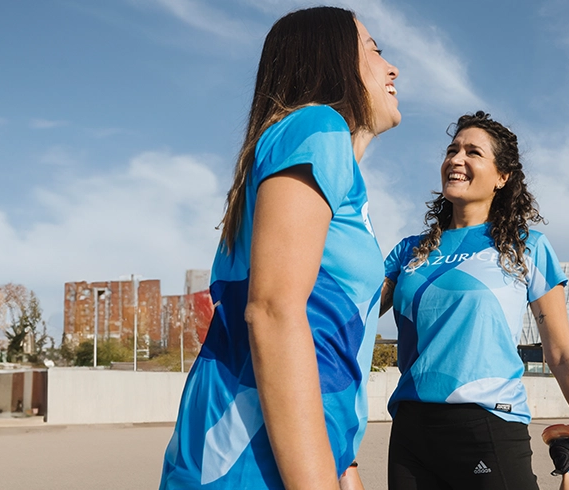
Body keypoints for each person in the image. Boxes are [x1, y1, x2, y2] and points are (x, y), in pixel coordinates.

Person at [160, 6, 400, 489]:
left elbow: (322, 336)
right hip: (247, 465)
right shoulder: (318, 128)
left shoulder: (321, 156)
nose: (391, 68)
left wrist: (342, 468)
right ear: (332, 60)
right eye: (374, 50)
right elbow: (272, 312)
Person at [380, 111, 569, 490]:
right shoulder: (409, 252)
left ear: (502, 177)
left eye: (473, 152)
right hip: (411, 431)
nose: (456, 159)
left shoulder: (525, 247)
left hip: (487, 424)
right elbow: (348, 314)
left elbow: (562, 352)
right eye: (452, 149)